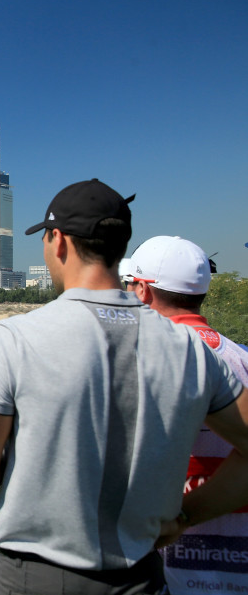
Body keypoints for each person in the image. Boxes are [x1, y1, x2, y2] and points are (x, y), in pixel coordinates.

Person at [0, 179, 248, 594]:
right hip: (138, 577)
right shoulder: (189, 349)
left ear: (58, 243)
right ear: (120, 246)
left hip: (28, 577)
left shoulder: (16, 337)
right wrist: (185, 517)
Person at [124, 235, 248, 593]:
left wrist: (183, 516)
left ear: (143, 292)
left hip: (162, 570)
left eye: (130, 285)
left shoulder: (141, 361)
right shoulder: (241, 358)